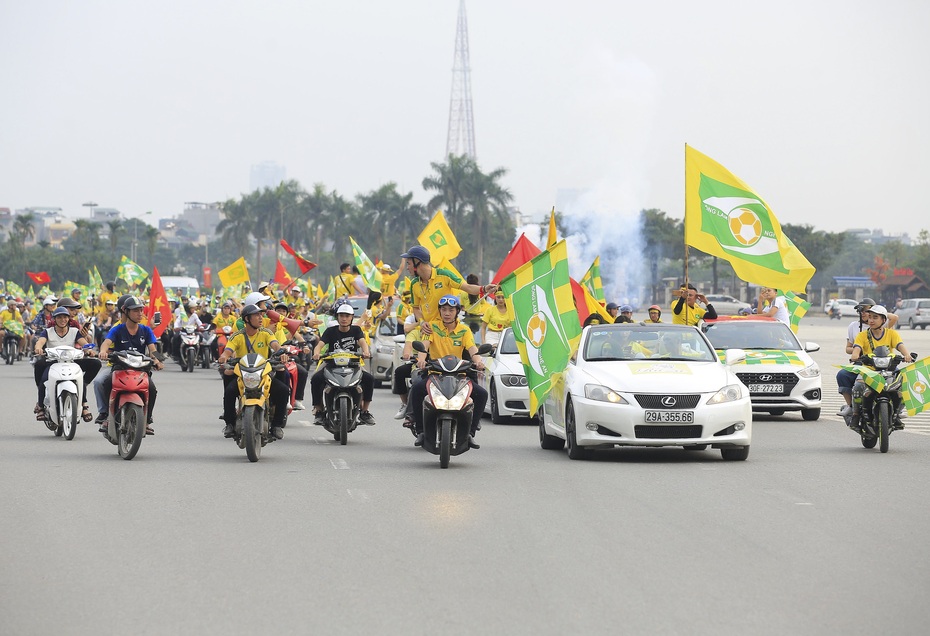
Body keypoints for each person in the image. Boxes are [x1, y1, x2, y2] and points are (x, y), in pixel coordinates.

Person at [408, 294, 487, 449]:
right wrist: (421, 360)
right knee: (416, 390)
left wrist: (478, 362)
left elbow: (472, 349)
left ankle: (470, 433)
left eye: (451, 310)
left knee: (482, 394)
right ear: (440, 311)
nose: (447, 313)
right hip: (435, 375)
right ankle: (421, 431)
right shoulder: (432, 327)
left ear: (457, 311)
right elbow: (424, 345)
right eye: (444, 309)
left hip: (459, 376)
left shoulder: (464, 330)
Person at [217, 304, 290, 440]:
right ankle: (230, 424)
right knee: (229, 391)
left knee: (284, 390)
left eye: (261, 314)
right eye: (256, 315)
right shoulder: (237, 336)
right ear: (247, 319)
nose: (260, 318)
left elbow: (275, 344)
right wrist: (224, 357)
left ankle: (276, 425)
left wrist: (281, 353)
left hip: (262, 374)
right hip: (243, 375)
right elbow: (228, 350)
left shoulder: (266, 333)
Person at [96, 296, 164, 435]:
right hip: (120, 368)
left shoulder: (146, 330)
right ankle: (108, 416)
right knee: (106, 383)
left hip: (140, 370)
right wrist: (103, 351)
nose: (140, 314)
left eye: (141, 310)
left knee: (152, 389)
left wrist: (158, 360)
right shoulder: (118, 329)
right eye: (135, 311)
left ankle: (146, 420)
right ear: (126, 312)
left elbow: (153, 349)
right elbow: (107, 342)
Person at [401, 245, 494, 336]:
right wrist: (422, 322)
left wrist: (484, 288)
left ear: (417, 262)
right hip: (429, 333)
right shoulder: (414, 284)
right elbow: (416, 308)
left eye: (408, 263)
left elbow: (468, 288)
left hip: (449, 331)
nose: (407, 267)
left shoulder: (444, 275)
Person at [310, 303, 376, 426]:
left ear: (352, 318)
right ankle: (319, 410)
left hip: (353, 364)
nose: (344, 318)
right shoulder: (330, 331)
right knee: (316, 379)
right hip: (331, 364)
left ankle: (365, 411)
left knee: (369, 379)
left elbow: (363, 343)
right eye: (341, 316)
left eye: (347, 316)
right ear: (337, 317)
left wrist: (366, 352)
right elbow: (319, 345)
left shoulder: (356, 330)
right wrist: (316, 354)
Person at [33, 307, 101, 422]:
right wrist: (38, 348)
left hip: (71, 361)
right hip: (53, 362)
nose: (62, 320)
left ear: (69, 319)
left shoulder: (74, 331)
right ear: (54, 319)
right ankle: (40, 406)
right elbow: (40, 341)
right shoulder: (48, 331)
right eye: (59, 317)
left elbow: (83, 343)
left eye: (65, 317)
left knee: (96, 364)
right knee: (43, 379)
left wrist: (88, 350)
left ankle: (83, 396)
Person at [849, 305, 912, 429]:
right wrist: (855, 355)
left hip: (890, 369)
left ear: (883, 320)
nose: (871, 320)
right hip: (868, 371)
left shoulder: (892, 334)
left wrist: (907, 355)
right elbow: (856, 349)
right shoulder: (862, 336)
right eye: (870, 317)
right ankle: (856, 415)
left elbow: (900, 345)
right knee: (857, 387)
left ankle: (897, 414)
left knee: (905, 386)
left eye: (875, 317)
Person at [836, 297, 899, 416]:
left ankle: (897, 408)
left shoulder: (883, 325)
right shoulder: (854, 327)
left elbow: (894, 318)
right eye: (862, 311)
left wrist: (875, 310)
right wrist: (857, 351)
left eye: (868, 311)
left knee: (901, 377)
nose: (865, 314)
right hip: (863, 362)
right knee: (842, 375)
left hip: (884, 361)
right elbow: (848, 348)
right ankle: (851, 406)